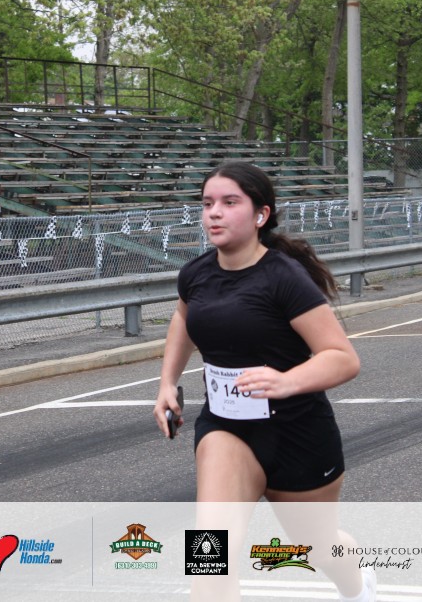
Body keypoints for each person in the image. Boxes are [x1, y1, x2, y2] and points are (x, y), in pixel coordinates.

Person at [153, 161, 374, 602]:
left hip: (295, 433)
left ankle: (359, 585)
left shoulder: (284, 278)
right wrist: (166, 383)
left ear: (260, 214)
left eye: (229, 202)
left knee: (318, 549)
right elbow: (183, 319)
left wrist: (286, 381)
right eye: (207, 204)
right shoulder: (195, 274)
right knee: (210, 558)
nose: (214, 212)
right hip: (226, 429)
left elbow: (342, 358)